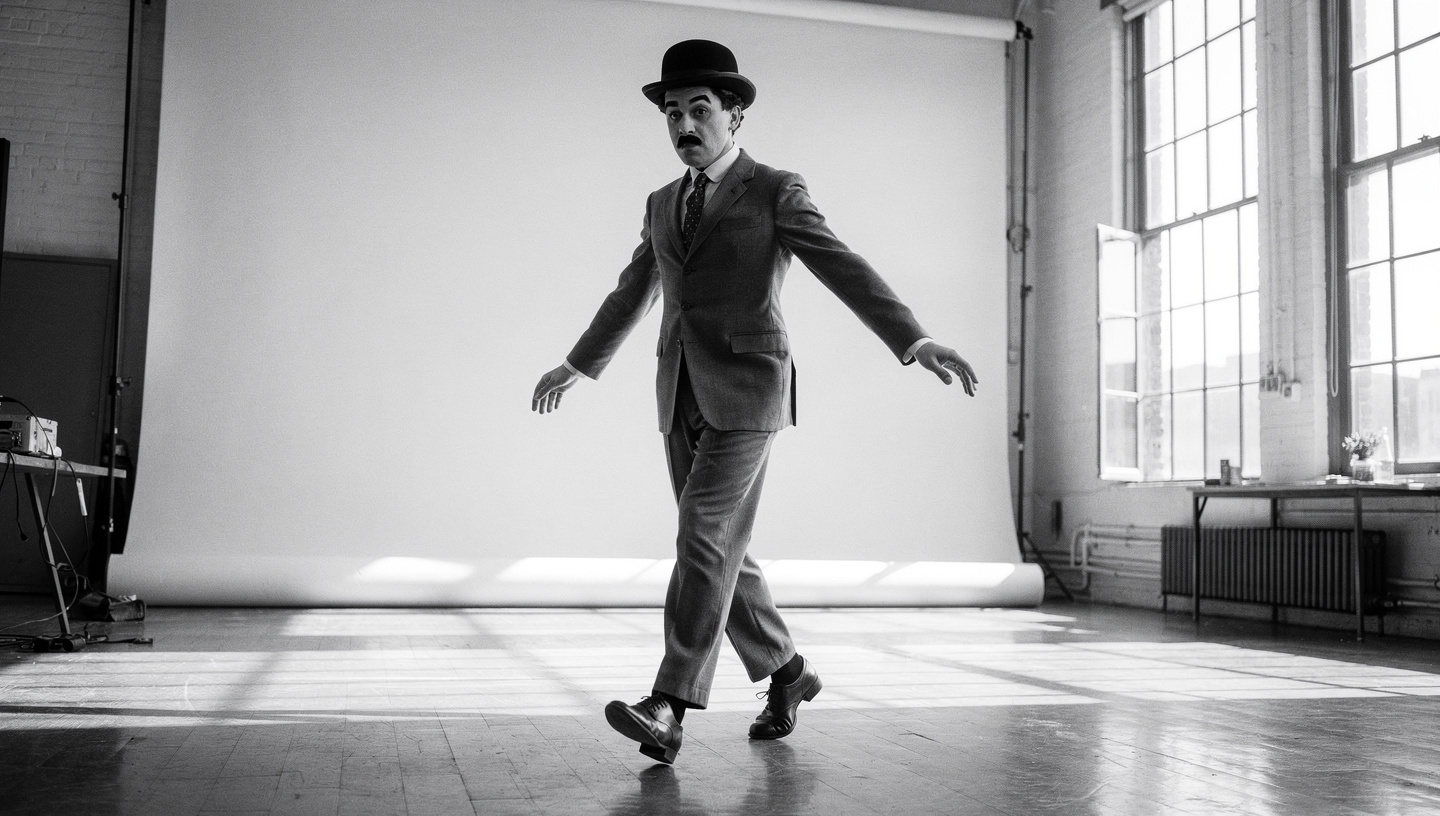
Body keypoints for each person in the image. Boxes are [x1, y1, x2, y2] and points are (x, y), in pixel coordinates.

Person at [531, 39, 977, 765]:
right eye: (672, 112)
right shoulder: (662, 202)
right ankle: (789, 674)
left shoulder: (774, 190)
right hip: (679, 387)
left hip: (749, 388)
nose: (684, 124)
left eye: (699, 109)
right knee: (721, 548)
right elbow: (633, 290)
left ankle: (669, 705)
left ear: (734, 114)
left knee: (702, 533)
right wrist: (577, 365)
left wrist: (915, 340)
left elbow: (842, 266)